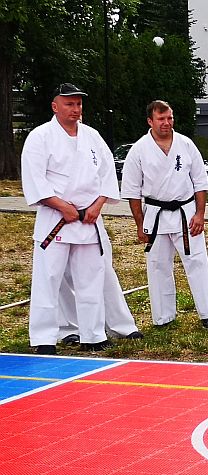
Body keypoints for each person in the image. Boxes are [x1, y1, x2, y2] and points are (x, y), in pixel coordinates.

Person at [21, 83, 120, 354]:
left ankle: (93, 335)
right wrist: (61, 206)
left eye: (78, 104)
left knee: (91, 279)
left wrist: (98, 205)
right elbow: (35, 180)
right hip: (56, 219)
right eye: (69, 104)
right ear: (55, 106)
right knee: (48, 279)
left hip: (88, 219)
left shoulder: (92, 136)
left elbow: (107, 174)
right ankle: (43, 338)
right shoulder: (40, 137)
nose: (75, 109)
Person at [121, 100, 208, 330]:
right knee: (158, 265)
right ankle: (163, 317)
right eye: (161, 119)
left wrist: (200, 214)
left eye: (170, 118)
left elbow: (200, 182)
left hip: (186, 212)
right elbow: (132, 192)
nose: (167, 123)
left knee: (197, 261)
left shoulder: (186, 144)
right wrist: (140, 224)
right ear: (150, 121)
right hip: (155, 214)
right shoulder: (139, 150)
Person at [57, 231, 143, 343]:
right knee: (61, 274)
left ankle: (121, 326)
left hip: (91, 226)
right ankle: (70, 329)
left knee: (104, 272)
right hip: (56, 227)